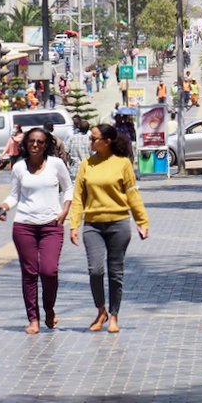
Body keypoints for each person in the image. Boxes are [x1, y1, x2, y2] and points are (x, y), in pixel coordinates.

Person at [69, 123, 150, 334]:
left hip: (118, 223)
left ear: (106, 141)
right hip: (93, 225)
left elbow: (132, 194)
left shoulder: (122, 164)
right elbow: (78, 197)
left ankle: (114, 316)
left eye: (93, 139)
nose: (90, 142)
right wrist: (74, 224)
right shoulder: (86, 165)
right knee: (95, 270)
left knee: (116, 272)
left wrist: (142, 221)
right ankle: (101, 310)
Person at [0, 127, 74, 334]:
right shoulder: (19, 167)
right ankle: (33, 318)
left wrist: (65, 210)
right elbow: (14, 195)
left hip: (52, 225)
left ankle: (49, 308)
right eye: (32, 141)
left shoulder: (56, 165)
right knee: (29, 273)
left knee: (49, 270)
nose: (35, 145)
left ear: (46, 144)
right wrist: (3, 207)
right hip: (24, 225)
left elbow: (69, 187)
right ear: (26, 143)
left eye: (40, 142)